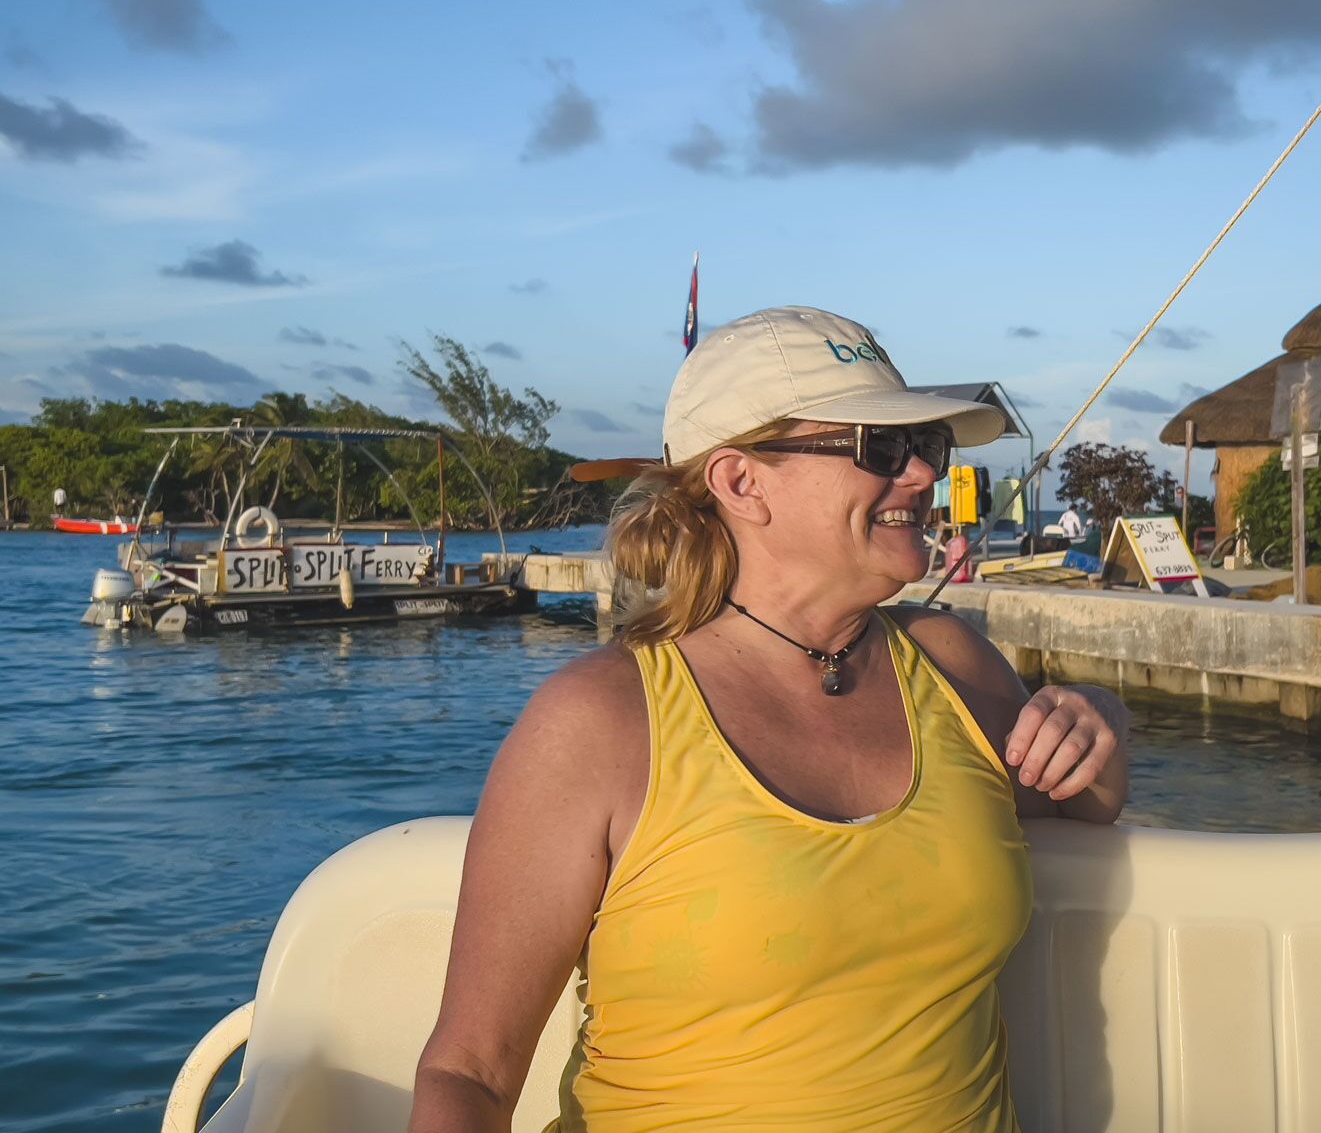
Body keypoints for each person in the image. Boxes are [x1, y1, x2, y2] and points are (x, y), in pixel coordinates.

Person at [410, 306, 1130, 1133]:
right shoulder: (602, 721)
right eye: (881, 449)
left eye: (925, 447)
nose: (925, 476)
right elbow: (469, 1072)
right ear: (741, 483)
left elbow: (1082, 804)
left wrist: (1099, 720)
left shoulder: (952, 663)